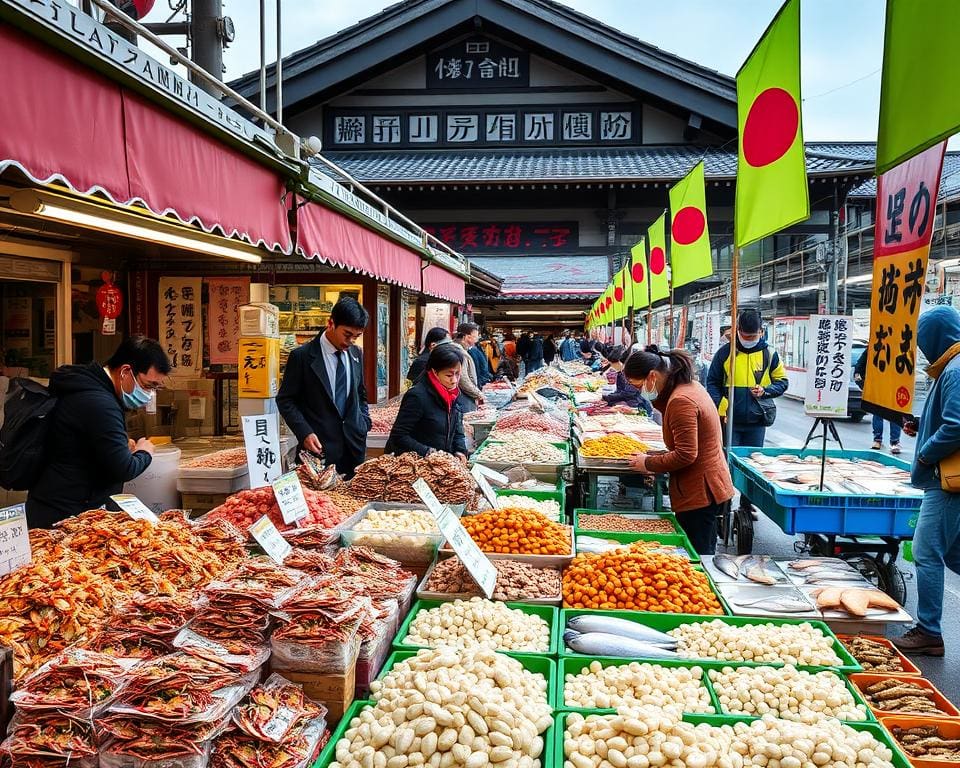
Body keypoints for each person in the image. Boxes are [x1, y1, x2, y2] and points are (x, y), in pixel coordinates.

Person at [25, 336, 169, 529]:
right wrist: (144, 451)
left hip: (58, 502)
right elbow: (124, 468)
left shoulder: (88, 387)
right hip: (67, 514)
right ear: (126, 371)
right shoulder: (101, 403)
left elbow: (85, 440)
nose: (150, 394)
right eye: (147, 385)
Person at [893, 306, 960, 657]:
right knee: (955, 554)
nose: (922, 350)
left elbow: (957, 425)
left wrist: (925, 453)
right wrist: (922, 424)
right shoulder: (951, 366)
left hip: (946, 482)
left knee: (926, 552)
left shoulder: (955, 369)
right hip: (949, 478)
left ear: (936, 337)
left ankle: (929, 631)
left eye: (924, 342)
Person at [624, 346, 734, 555]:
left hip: (700, 491)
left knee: (698, 554)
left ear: (652, 376)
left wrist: (647, 463)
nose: (640, 392)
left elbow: (686, 454)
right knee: (702, 547)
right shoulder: (689, 386)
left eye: (638, 386)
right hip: (707, 485)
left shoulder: (681, 400)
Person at [706, 308, 788, 519]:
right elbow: (712, 382)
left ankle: (746, 504)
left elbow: (782, 382)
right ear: (738, 331)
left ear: (761, 331)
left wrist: (766, 391)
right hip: (729, 419)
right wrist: (720, 405)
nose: (749, 339)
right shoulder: (726, 353)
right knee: (725, 462)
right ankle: (722, 502)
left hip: (756, 419)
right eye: (745, 335)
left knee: (752, 464)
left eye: (753, 336)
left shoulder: (770, 354)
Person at [276, 296, 372, 478]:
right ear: (331, 323)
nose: (351, 341)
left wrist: (363, 421)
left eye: (357, 336)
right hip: (319, 449)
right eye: (347, 334)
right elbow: (285, 400)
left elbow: (360, 393)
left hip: (354, 448)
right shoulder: (302, 357)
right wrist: (304, 432)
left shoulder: (356, 354)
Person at [385, 344, 468, 460]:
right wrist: (428, 452)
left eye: (457, 374)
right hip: (414, 464)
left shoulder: (452, 394)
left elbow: (457, 428)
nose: (454, 380)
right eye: (449, 375)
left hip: (441, 463)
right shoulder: (417, 396)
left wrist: (460, 450)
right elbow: (399, 436)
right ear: (434, 372)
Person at [854, 352, 902, 454]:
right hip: (877, 388)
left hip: (894, 388)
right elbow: (859, 368)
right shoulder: (872, 348)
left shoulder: (898, 347)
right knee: (878, 414)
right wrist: (863, 385)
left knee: (894, 414)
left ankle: (894, 442)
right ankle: (878, 440)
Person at [602, 345, 651, 416]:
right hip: (628, 405)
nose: (612, 367)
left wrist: (608, 397)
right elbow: (620, 390)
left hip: (637, 407)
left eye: (613, 364)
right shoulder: (620, 372)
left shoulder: (632, 373)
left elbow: (628, 393)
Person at [452, 331, 482, 412]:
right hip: (463, 396)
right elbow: (463, 378)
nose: (477, 340)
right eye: (475, 337)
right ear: (465, 337)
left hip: (463, 394)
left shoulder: (462, 351)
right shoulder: (460, 352)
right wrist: (478, 394)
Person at [459, 322, 491, 388]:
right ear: (467, 337)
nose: (478, 338)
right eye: (475, 336)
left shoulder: (473, 349)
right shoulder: (471, 351)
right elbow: (476, 371)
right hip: (476, 385)